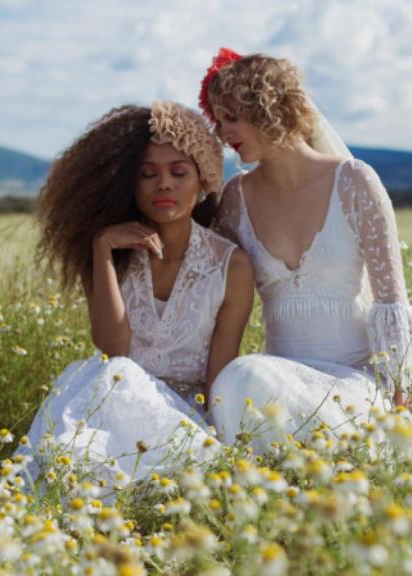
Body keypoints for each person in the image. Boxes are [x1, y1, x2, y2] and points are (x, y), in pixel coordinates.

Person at [200, 49, 412, 452]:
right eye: (219, 120)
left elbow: (392, 303)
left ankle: (335, 453)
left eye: (232, 117)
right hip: (277, 379)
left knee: (247, 378)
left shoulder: (354, 182)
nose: (223, 132)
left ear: (271, 108)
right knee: (241, 378)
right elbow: (207, 286)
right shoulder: (236, 197)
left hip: (353, 384)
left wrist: (401, 405)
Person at [16, 101, 253, 492]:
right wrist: (102, 247)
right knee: (113, 377)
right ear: (129, 183)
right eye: (147, 174)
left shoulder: (233, 266)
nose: (164, 184)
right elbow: (114, 349)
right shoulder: (111, 252)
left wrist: (222, 447)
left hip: (179, 415)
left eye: (179, 172)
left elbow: (220, 376)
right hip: (111, 400)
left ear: (204, 179)